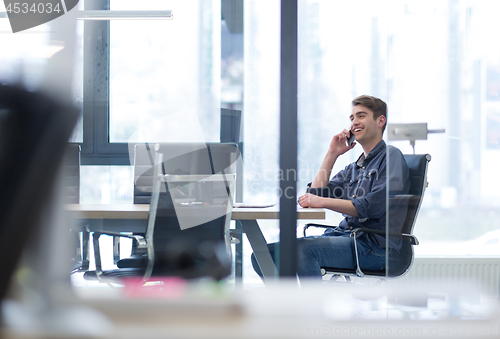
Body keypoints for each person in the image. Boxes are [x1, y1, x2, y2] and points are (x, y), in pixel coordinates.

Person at [251, 95, 410, 278]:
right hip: (345, 237)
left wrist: (321, 201)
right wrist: (332, 153)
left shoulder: (391, 157)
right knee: (263, 256)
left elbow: (370, 207)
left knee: (305, 251)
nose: (354, 122)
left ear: (380, 120)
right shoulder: (355, 168)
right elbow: (315, 195)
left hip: (374, 247)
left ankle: (310, 307)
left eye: (361, 116)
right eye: (352, 118)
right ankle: (290, 304)